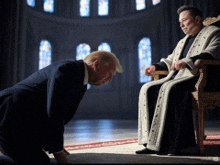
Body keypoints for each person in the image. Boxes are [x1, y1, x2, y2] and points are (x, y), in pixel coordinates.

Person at [0, 50, 123, 164]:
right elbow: (55, 111)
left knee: (35, 156)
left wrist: (55, 144)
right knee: (39, 161)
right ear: (97, 64)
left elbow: (60, 115)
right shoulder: (68, 69)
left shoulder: (80, 78)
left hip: (22, 120)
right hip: (9, 115)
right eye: (110, 72)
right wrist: (57, 148)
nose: (110, 78)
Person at [136, 5, 220, 155]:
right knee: (148, 89)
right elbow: (170, 60)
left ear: (197, 19)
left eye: (184, 21)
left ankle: (177, 145)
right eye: (180, 22)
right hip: (181, 77)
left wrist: (188, 61)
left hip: (202, 77)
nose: (181, 25)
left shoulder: (214, 33)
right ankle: (153, 143)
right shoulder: (184, 40)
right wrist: (155, 66)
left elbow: (212, 54)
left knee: (172, 89)